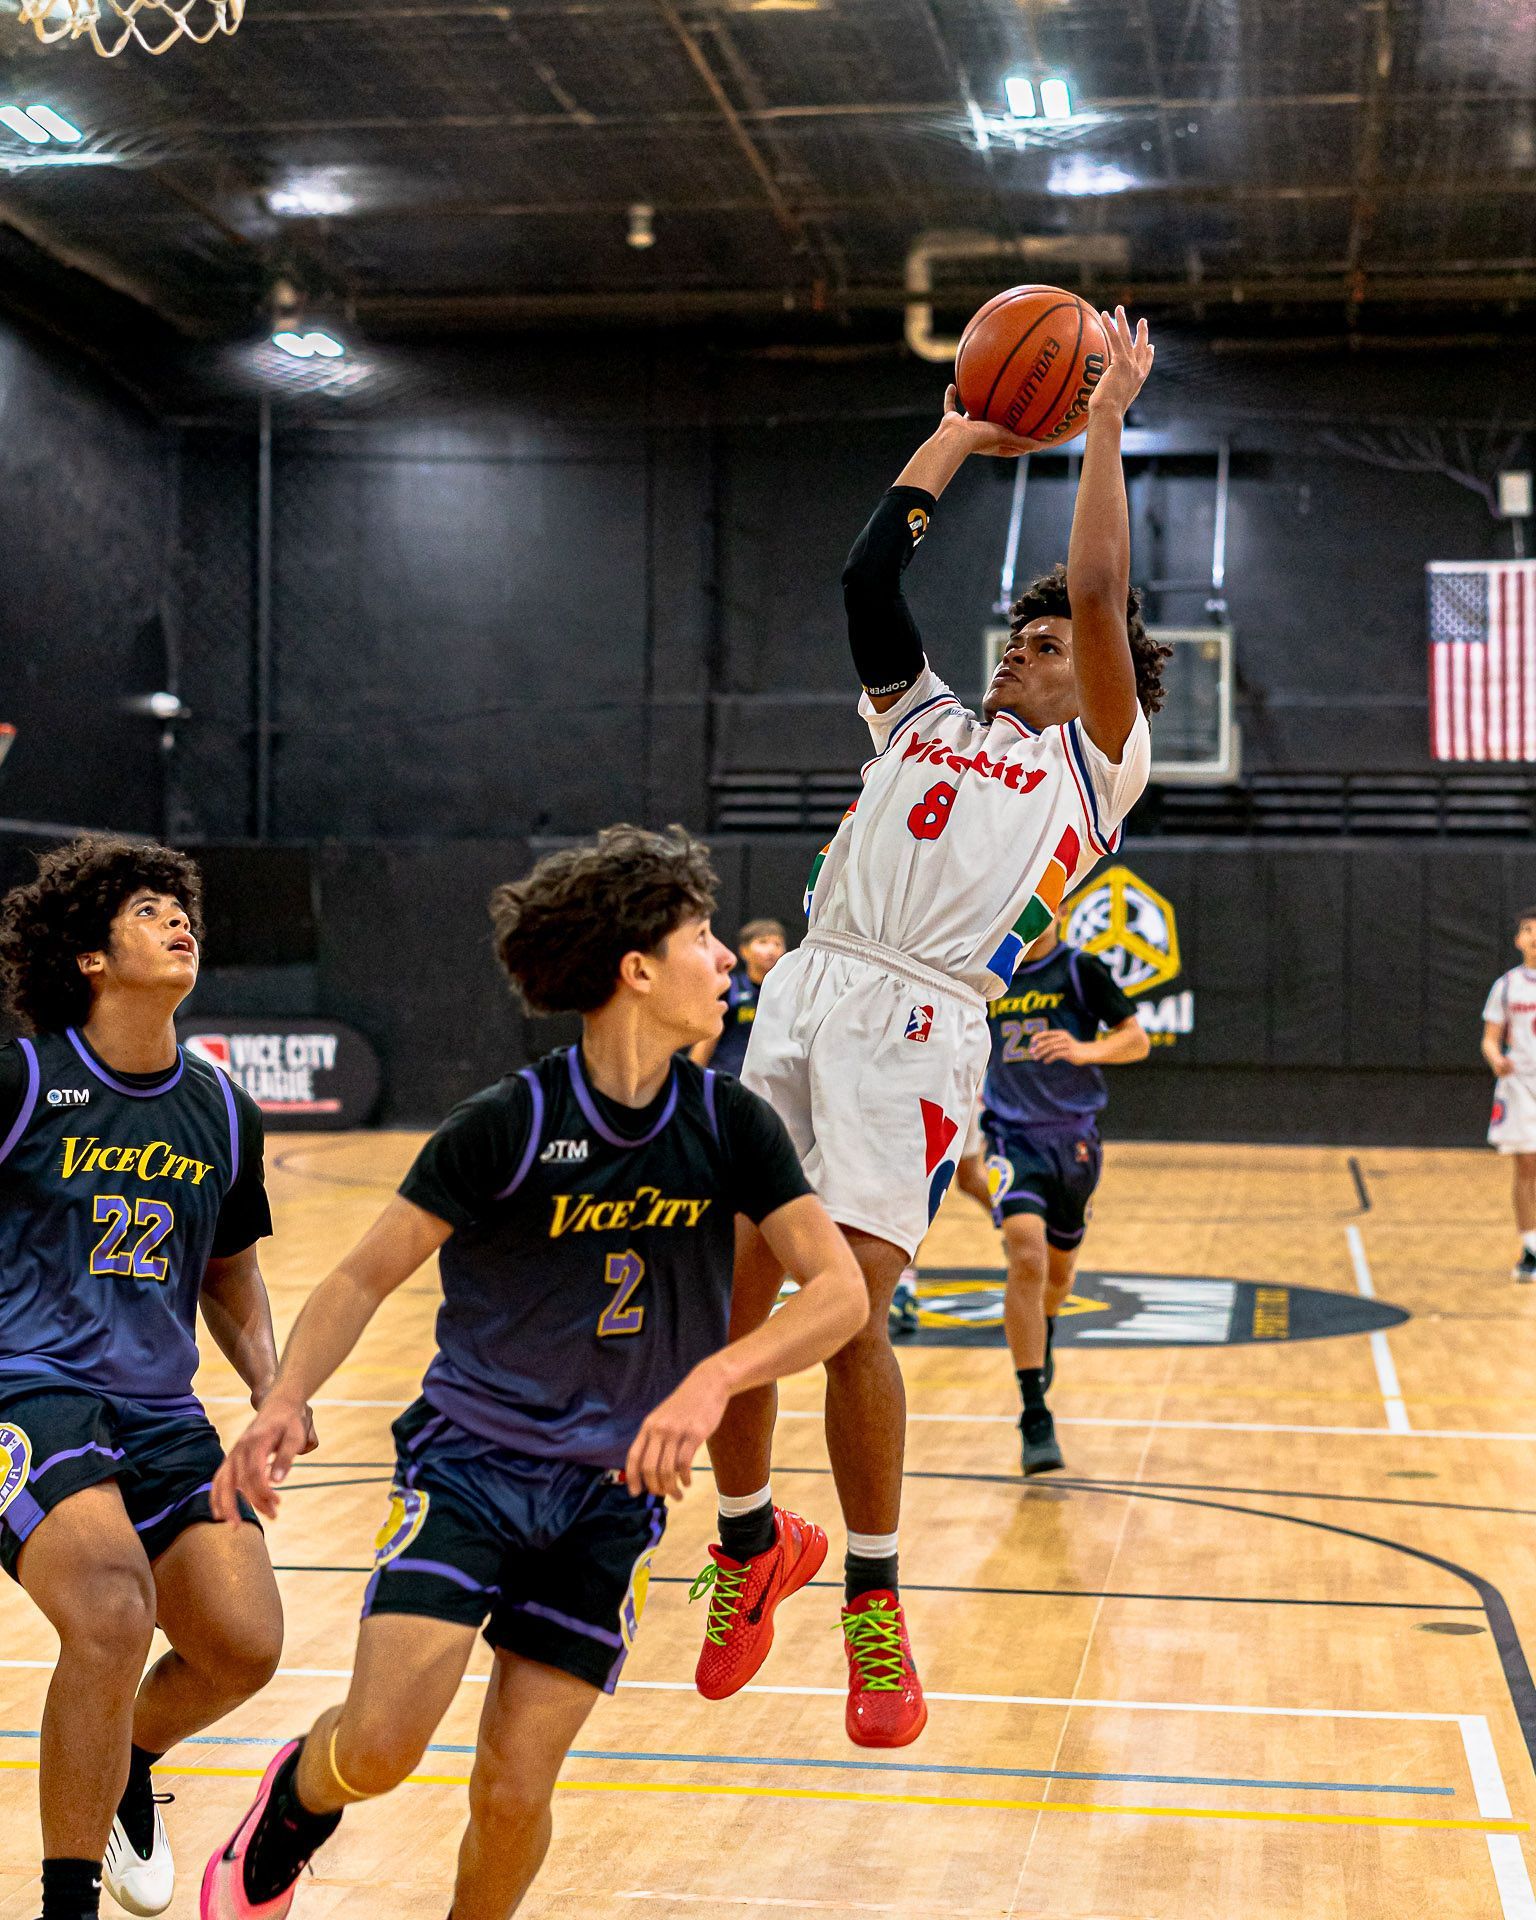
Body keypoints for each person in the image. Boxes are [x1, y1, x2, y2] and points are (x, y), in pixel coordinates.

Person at [200, 825, 865, 1920]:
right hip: (472, 1466)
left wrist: (714, 1380)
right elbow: (365, 1276)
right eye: (700, 936)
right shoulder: (511, 1122)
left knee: (514, 1790)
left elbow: (838, 1295)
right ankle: (294, 1801)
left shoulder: (733, 1125)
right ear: (636, 969)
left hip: (612, 1497)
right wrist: (283, 1399)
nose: (723, 961)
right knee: (378, 1748)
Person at [692, 308, 1168, 1749]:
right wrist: (962, 429)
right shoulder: (924, 720)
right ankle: (748, 1544)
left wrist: (1100, 423)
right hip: (808, 988)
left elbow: (1096, 590)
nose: (1030, 645)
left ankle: (877, 1605)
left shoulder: (1101, 770)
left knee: (849, 1310)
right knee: (725, 1282)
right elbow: (862, 571)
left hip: (921, 1021)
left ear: (1102, 681)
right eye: (1016, 636)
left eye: (1050, 642)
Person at [0, 835, 301, 1920]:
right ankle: (66, 1902)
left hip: (161, 1407)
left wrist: (275, 1389)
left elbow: (230, 1272)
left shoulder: (221, 1110)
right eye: (147, 909)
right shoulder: (24, 1080)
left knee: (244, 1645)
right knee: (116, 1610)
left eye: (184, 909)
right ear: (88, 955)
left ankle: (126, 1760)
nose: (181, 921)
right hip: (27, 1390)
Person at [954, 913, 1149, 1474]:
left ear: (1060, 911)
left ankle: (1048, 1328)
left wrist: (1085, 1050)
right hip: (1012, 1138)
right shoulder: (992, 976)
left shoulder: (1080, 970)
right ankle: (1034, 1412)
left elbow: (1136, 1040)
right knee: (1026, 1253)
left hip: (1074, 1140)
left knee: (1059, 1276)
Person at [1480, 908, 1536, 1280]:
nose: (1534, 936)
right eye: (1528, 930)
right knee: (1527, 1165)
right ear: (1518, 940)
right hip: (1520, 1084)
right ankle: (1531, 1249)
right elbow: (1489, 1039)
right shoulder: (1506, 985)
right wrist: (1496, 1059)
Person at [689, 918, 787, 1074]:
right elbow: (706, 1041)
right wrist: (689, 1083)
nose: (771, 950)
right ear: (744, 951)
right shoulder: (728, 988)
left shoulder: (789, 993)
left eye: (777, 944)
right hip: (728, 1080)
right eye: (763, 942)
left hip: (769, 1085)